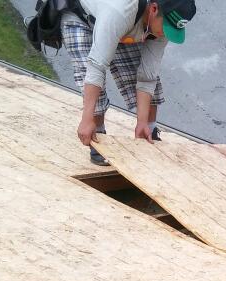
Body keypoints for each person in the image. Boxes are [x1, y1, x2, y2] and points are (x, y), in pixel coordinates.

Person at [62, 0, 196, 165]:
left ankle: (149, 131)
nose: (166, 34)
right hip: (80, 16)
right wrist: (86, 119)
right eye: (166, 28)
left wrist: (142, 122)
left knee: (143, 75)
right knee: (92, 80)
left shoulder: (163, 24)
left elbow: (147, 75)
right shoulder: (120, 11)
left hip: (129, 23)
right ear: (153, 9)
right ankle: (97, 137)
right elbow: (96, 66)